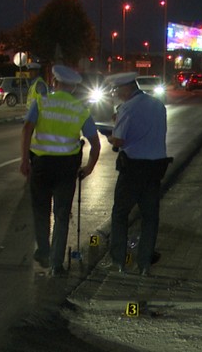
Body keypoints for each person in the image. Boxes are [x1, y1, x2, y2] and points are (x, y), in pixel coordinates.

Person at [20, 65, 101, 277]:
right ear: (73, 88)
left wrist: (24, 160)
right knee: (62, 214)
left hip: (41, 165)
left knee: (41, 210)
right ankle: (57, 264)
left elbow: (27, 128)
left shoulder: (42, 102)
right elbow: (95, 143)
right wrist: (89, 168)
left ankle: (44, 251)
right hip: (66, 168)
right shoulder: (80, 109)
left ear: (55, 83)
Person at [103, 72, 169, 276]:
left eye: (117, 90)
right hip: (155, 168)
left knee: (120, 214)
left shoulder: (128, 108)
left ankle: (119, 261)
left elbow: (119, 140)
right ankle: (144, 265)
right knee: (150, 217)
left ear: (127, 88)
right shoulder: (158, 105)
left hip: (132, 169)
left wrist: (109, 137)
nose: (115, 93)